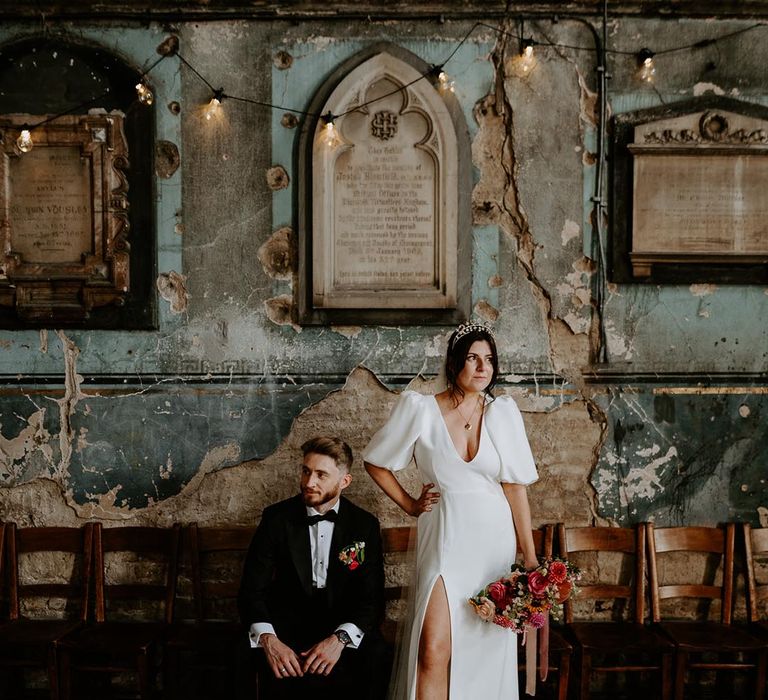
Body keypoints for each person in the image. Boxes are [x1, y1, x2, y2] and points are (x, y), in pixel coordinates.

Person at [364, 322, 539, 700]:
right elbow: (376, 462)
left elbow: (515, 487)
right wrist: (410, 504)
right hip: (445, 542)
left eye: (489, 360)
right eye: (473, 358)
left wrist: (529, 555)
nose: (482, 368)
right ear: (454, 362)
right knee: (433, 649)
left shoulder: (503, 413)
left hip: (494, 548)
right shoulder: (421, 410)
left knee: (485, 651)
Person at [238, 436, 385, 700]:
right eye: (306, 471)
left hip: (339, 620)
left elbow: (371, 599)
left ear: (344, 482)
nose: (308, 482)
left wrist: (339, 640)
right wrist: (269, 640)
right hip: (287, 623)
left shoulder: (364, 525)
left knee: (375, 654)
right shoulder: (276, 518)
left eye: (321, 474)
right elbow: (251, 590)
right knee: (243, 655)